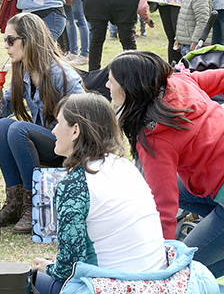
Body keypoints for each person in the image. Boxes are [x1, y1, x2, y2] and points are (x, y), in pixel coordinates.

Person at [107, 51, 224, 286]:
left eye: (111, 81)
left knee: (183, 272)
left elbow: (164, 208)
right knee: (161, 189)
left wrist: (164, 264)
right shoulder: (176, 82)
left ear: (130, 88)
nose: (107, 85)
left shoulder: (154, 136)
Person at [31, 93, 167, 294]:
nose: (53, 131)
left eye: (58, 123)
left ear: (75, 130)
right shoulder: (125, 166)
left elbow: (68, 267)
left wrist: (48, 268)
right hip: (157, 281)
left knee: (27, 278)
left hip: (118, 286)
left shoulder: (75, 184)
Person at [0, 13, 85, 233]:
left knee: (17, 128)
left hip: (67, 148)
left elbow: (86, 114)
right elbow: (2, 114)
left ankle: (34, 203)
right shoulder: (24, 71)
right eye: (5, 40)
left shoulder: (61, 74)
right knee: (4, 126)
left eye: (10, 40)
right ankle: (15, 202)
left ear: (29, 40)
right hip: (47, 143)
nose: (6, 46)